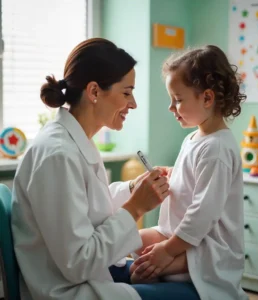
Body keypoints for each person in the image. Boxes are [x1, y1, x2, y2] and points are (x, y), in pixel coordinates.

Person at [11, 38, 170, 300]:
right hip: (69, 288)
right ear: (94, 92)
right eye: (127, 92)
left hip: (91, 272)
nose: (133, 104)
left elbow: (85, 205)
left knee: (167, 272)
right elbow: (79, 262)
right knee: (193, 290)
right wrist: (135, 208)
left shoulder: (73, 140)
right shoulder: (57, 155)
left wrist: (132, 189)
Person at [129, 45, 249, 300]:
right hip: (179, 234)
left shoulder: (216, 149)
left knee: (144, 269)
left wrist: (167, 250)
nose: (172, 107)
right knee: (131, 239)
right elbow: (197, 179)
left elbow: (202, 214)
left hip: (206, 246)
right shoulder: (195, 138)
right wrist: (174, 173)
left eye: (178, 99)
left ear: (207, 98)